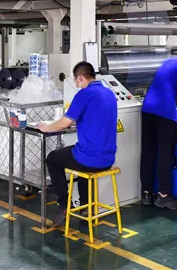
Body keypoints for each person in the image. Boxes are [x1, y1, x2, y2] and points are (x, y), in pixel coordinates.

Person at [40, 62, 118, 227]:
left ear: (81, 78)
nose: (76, 84)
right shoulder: (109, 93)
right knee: (82, 162)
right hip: (108, 158)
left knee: (53, 158)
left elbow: (65, 123)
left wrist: (47, 127)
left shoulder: (84, 94)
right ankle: (85, 206)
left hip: (90, 159)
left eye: (76, 80)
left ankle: (63, 204)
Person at [139, 46, 177, 210]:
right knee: (165, 153)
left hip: (147, 109)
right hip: (164, 112)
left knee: (148, 152)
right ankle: (163, 195)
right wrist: (173, 104)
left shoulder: (168, 62)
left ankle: (146, 193)